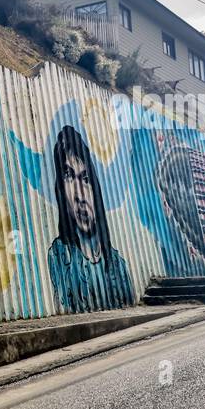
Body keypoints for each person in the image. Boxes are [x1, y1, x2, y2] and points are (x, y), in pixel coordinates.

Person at [47, 125, 135, 312]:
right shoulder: (59, 257)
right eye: (69, 177)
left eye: (85, 179)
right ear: (60, 190)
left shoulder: (118, 265)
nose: (80, 196)